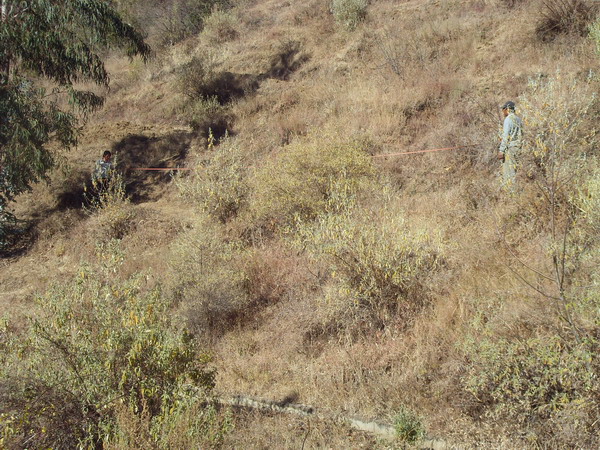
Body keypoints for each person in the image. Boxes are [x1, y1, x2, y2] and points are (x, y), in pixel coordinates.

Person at [498, 101, 523, 189]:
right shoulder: (518, 119)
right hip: (519, 147)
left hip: (510, 149)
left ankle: (511, 191)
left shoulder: (508, 119)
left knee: (509, 172)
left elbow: (506, 136)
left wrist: (501, 151)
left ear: (507, 109)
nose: (503, 111)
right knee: (516, 170)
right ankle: (517, 189)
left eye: (503, 109)